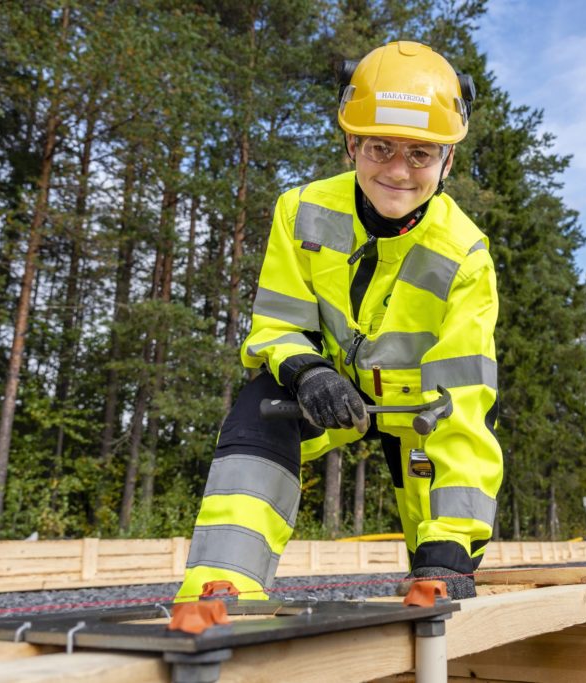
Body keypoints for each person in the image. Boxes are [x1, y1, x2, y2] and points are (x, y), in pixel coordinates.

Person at [176, 41, 502, 601]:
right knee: (259, 410)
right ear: (352, 144)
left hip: (422, 413)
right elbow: (277, 326)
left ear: (448, 159)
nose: (399, 171)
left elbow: (462, 407)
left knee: (437, 573)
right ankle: (224, 587)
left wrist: (451, 553)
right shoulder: (299, 211)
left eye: (421, 154)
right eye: (380, 147)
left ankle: (441, 567)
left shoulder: (465, 255)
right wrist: (307, 373)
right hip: (327, 396)